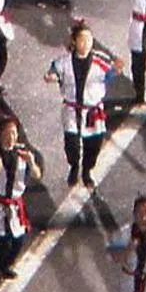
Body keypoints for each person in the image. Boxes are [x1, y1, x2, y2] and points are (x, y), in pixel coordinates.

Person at [45, 21, 115, 188]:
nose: (86, 44)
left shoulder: (100, 61)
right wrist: (52, 77)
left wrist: (116, 69)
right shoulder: (65, 61)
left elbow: (110, 73)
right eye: (82, 40)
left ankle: (87, 171)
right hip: (72, 109)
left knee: (94, 145)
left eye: (89, 40)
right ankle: (74, 166)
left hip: (93, 111)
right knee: (72, 145)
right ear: (74, 41)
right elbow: (54, 70)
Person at [0, 117, 44, 281]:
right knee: (2, 243)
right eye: (7, 133)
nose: (11, 137)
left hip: (14, 206)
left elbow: (37, 175)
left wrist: (32, 162)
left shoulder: (23, 154)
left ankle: (5, 266)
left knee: (18, 242)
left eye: (14, 133)